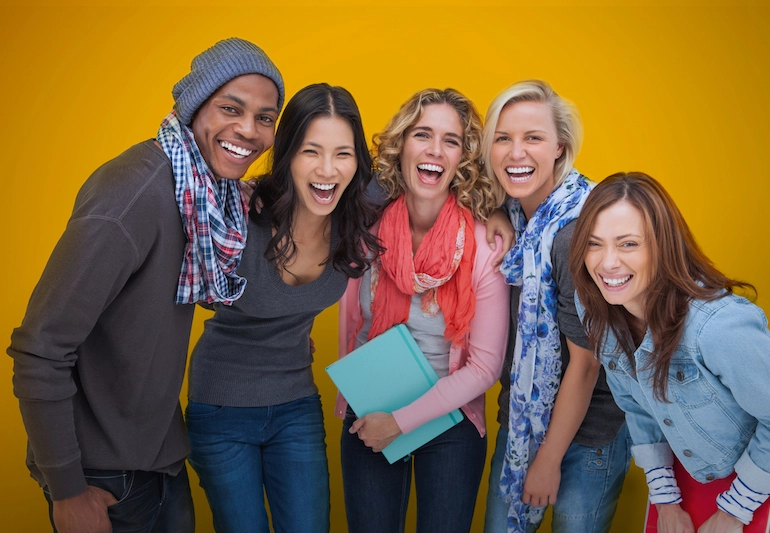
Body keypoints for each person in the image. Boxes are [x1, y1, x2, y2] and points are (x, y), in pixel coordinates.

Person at [7, 38, 285, 533]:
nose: (249, 130)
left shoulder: (209, 196)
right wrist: (68, 490)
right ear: (193, 105)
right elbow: (41, 348)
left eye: (265, 118)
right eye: (231, 108)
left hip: (159, 461)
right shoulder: (135, 192)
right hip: (99, 475)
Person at [185, 83, 382, 533]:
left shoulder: (359, 212)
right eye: (311, 151)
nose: (328, 170)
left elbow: (435, 187)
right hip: (221, 406)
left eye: (343, 153)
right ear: (288, 152)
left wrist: (498, 220)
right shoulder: (239, 210)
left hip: (295, 402)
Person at [568, 172, 770, 532]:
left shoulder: (719, 328)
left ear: (662, 246)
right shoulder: (598, 309)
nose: (607, 263)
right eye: (594, 244)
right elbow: (636, 406)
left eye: (628, 244)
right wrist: (666, 502)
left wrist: (734, 511)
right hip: (698, 484)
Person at [334, 88, 510, 533]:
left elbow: (485, 366)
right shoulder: (364, 232)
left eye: (450, 141)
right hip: (372, 412)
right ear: (402, 145)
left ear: (463, 158)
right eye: (422, 134)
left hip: (450, 424)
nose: (434, 150)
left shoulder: (484, 245)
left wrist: (402, 421)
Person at [481, 80, 630, 533]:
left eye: (533, 138)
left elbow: (585, 364)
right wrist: (494, 211)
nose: (515, 153)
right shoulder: (516, 212)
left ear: (560, 147)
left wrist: (548, 460)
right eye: (503, 138)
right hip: (521, 424)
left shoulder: (576, 232)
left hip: (588, 435)